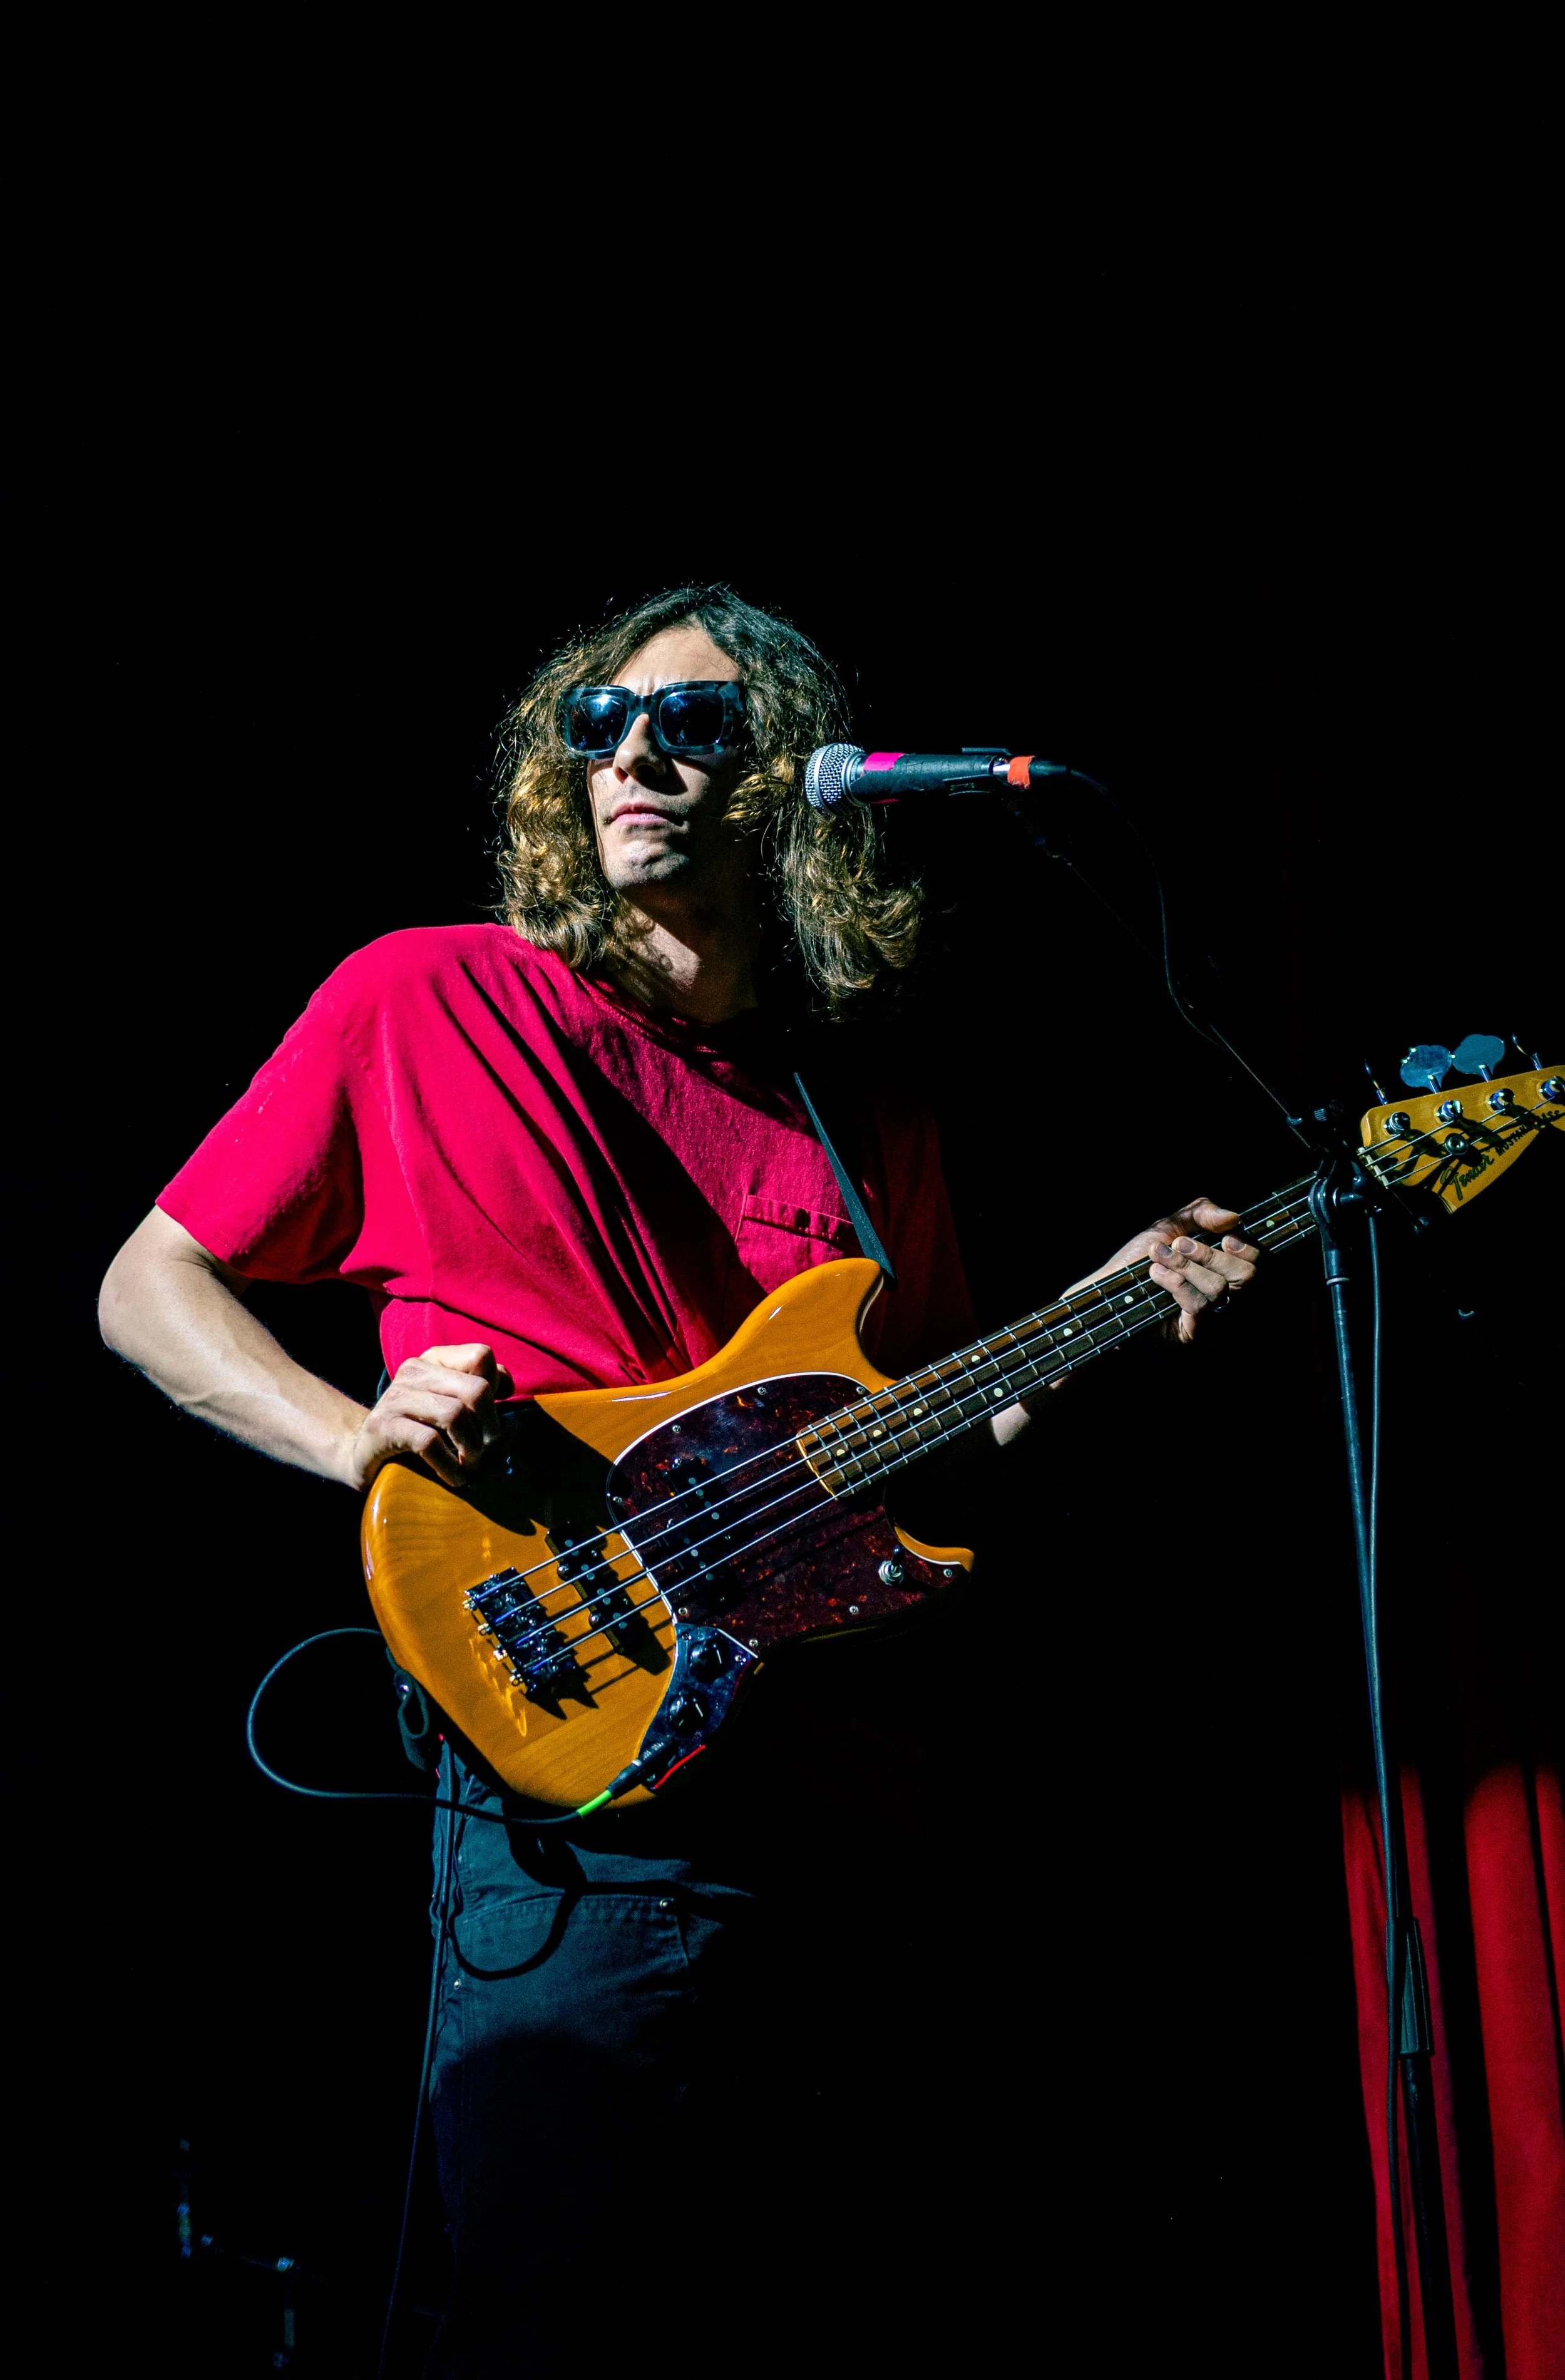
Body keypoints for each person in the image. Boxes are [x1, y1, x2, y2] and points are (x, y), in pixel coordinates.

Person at [100, 585, 1258, 2372]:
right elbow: (145, 1283)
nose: (634, 755)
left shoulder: (860, 1108)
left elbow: (930, 1464)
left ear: (803, 783)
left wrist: (1097, 1329)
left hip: (853, 1806)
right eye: (600, 725)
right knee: (567, 2317)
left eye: (698, 726)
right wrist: (349, 1434)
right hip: (587, 1790)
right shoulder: (428, 996)